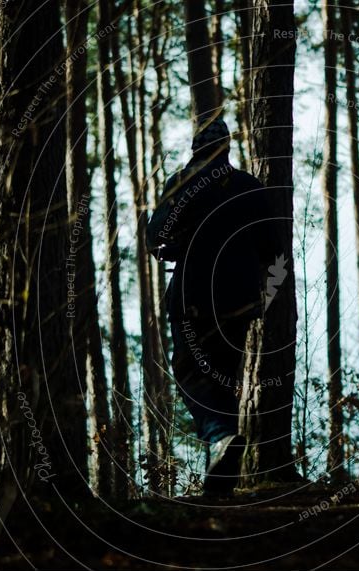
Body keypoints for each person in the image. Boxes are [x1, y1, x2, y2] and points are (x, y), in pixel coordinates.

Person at [146, 113, 279, 495]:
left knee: (189, 372)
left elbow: (157, 237)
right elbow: (273, 251)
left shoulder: (183, 183)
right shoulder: (249, 187)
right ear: (227, 150)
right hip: (239, 303)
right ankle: (221, 473)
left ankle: (220, 438)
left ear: (196, 149)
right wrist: (260, 298)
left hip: (193, 297)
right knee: (223, 378)